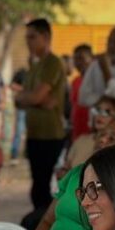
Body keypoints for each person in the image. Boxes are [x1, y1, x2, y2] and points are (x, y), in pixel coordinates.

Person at [14, 19, 67, 213]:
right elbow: (21, 99)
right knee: (37, 186)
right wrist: (32, 99)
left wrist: (31, 98)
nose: (28, 42)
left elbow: (35, 97)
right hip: (34, 133)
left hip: (50, 135)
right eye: (27, 37)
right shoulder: (35, 65)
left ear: (45, 37)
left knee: (43, 188)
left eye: (32, 37)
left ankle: (45, 226)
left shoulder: (53, 63)